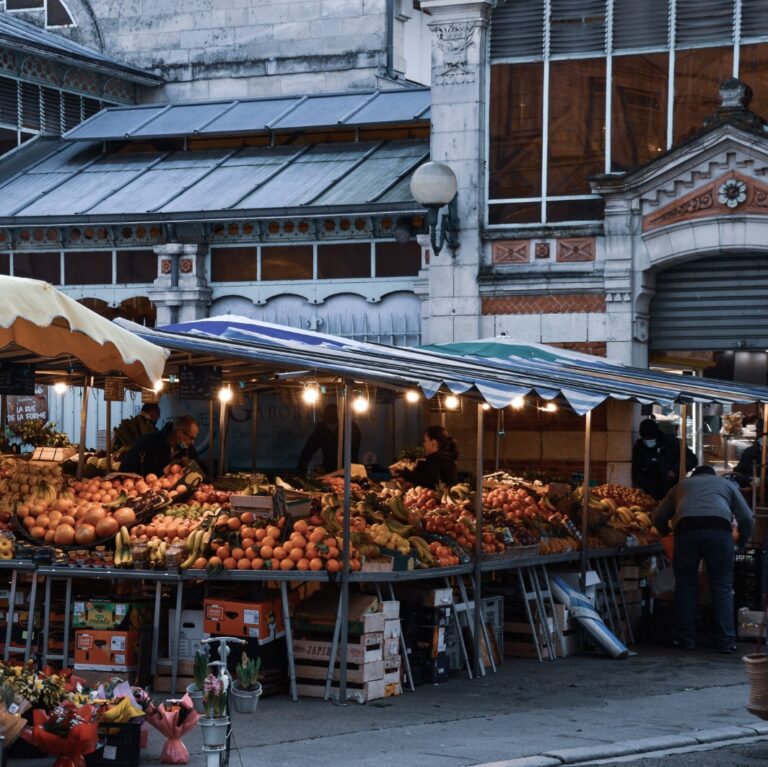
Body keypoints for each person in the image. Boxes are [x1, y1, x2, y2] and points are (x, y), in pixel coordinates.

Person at [653, 465, 753, 653]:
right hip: (719, 532)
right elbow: (747, 517)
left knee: (685, 585)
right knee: (722, 586)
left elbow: (658, 516)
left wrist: (667, 533)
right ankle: (725, 641)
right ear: (711, 475)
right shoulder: (726, 485)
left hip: (686, 532)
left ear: (694, 476)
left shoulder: (680, 486)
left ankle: (685, 639)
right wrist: (742, 541)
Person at [632, 418, 698, 500]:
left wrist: (675, 470)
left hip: (674, 490)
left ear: (656, 434)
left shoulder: (673, 444)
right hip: (651, 495)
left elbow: (692, 460)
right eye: (646, 438)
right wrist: (648, 489)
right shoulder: (639, 449)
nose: (648, 440)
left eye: (650, 437)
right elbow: (638, 473)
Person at [119, 414, 200, 477]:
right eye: (191, 438)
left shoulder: (190, 451)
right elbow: (126, 468)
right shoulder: (147, 442)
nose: (193, 442)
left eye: (194, 439)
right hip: (145, 492)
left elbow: (198, 473)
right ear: (179, 433)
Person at [297, 403, 361, 476]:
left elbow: (353, 452)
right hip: (329, 470)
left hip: (349, 470)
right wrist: (301, 468)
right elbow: (308, 449)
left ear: (339, 421)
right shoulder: (321, 428)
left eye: (333, 425)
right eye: (328, 425)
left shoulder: (351, 428)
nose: (331, 428)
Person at [394, 425, 459, 490]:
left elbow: (430, 480)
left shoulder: (435, 459)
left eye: (425, 440)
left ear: (433, 442)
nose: (424, 444)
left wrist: (407, 474)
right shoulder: (447, 457)